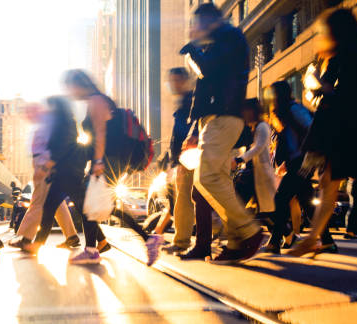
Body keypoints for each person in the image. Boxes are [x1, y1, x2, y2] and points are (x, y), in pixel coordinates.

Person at [25, 71, 160, 265]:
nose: (70, 93)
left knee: (92, 204)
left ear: (79, 85)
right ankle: (144, 240)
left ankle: (94, 249)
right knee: (104, 206)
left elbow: (100, 133)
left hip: (108, 160)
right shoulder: (98, 100)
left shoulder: (96, 101)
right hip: (110, 160)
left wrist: (97, 162)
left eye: (70, 87)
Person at [179, 3, 264, 264]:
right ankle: (237, 240)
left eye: (196, 23)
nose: (194, 29)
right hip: (215, 119)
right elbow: (206, 86)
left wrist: (191, 48)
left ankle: (248, 231)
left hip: (224, 116)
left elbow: (209, 72)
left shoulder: (228, 37)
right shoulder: (220, 41)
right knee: (213, 180)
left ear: (208, 21)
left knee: (206, 179)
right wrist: (195, 128)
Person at [289, 8, 357, 260]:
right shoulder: (341, 55)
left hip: (356, 126)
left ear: (336, 32)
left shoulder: (353, 54)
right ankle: (312, 238)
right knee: (330, 183)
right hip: (348, 126)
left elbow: (349, 91)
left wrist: (320, 84)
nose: (319, 36)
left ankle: (312, 238)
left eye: (322, 32)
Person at [262, 81, 336, 254]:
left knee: (281, 199)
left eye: (272, 95)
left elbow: (311, 128)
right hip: (297, 162)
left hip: (303, 161)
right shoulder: (283, 113)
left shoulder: (294, 109)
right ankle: (327, 241)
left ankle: (274, 242)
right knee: (306, 201)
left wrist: (306, 156)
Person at [10, 102, 80, 251]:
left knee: (37, 202)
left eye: (29, 111)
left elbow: (52, 147)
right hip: (43, 164)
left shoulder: (48, 123)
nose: (27, 116)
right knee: (55, 203)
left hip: (44, 165)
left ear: (37, 110)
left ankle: (24, 237)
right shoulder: (44, 123)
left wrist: (43, 166)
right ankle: (71, 236)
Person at [151, 67, 196, 254]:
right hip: (182, 159)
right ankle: (180, 240)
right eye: (170, 81)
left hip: (189, 157)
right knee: (182, 200)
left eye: (176, 80)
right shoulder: (183, 102)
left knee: (187, 199)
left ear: (184, 80)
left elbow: (193, 129)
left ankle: (238, 229)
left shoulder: (192, 101)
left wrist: (183, 157)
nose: (172, 84)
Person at [234, 98, 276, 217]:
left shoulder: (262, 126)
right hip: (254, 174)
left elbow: (259, 147)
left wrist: (239, 159)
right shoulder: (254, 127)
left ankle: (288, 234)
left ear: (252, 111)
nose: (243, 114)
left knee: (268, 211)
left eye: (245, 111)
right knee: (266, 210)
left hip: (259, 174)